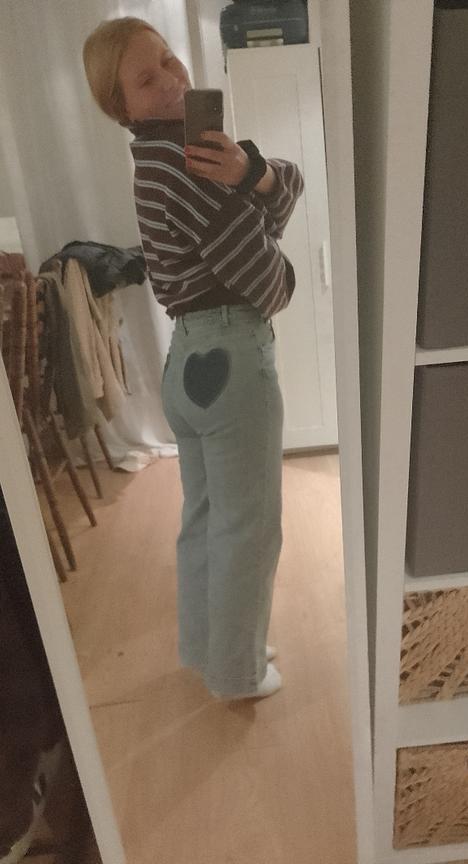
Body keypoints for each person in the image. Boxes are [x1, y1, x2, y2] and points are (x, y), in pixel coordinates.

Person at [82, 17, 304, 700]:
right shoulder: (188, 167)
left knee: (208, 519)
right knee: (248, 528)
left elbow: (284, 188)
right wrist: (256, 191)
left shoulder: (163, 159)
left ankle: (211, 648)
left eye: (169, 61)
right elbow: (269, 281)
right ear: (120, 105)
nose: (172, 80)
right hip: (231, 357)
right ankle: (237, 673)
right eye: (146, 79)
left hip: (189, 360)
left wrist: (252, 175)